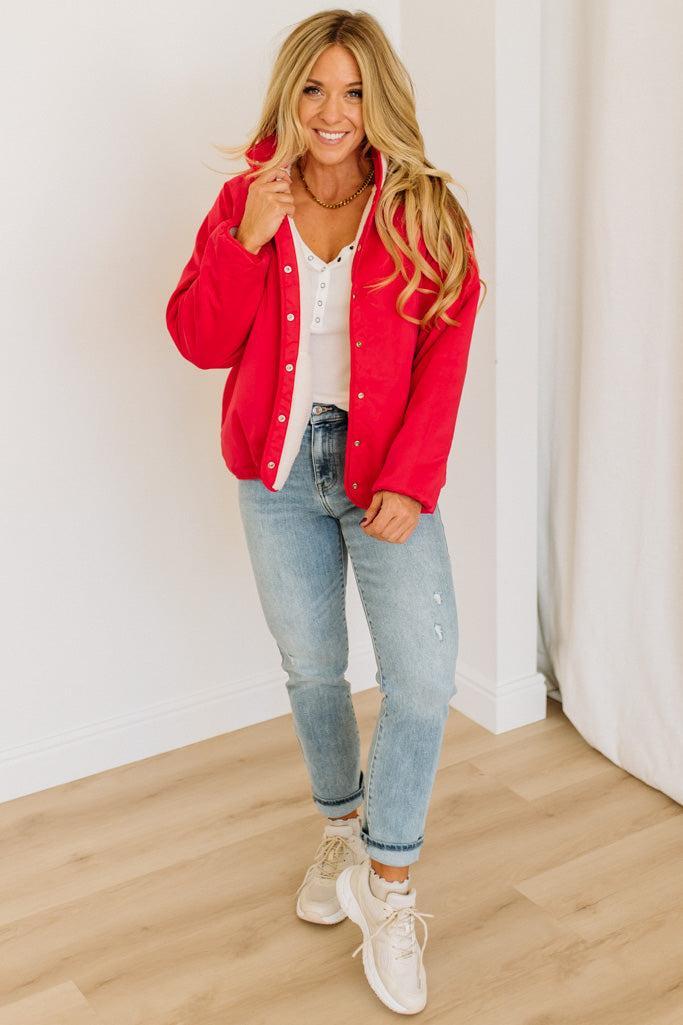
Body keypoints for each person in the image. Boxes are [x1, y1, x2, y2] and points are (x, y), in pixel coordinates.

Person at [166, 9, 484, 1016]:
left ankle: (385, 883)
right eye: (313, 90)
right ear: (287, 95)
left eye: (352, 91)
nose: (331, 112)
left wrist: (411, 479)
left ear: (377, 98)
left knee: (423, 677)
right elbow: (197, 339)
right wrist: (240, 239)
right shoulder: (245, 199)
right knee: (313, 668)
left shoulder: (426, 206)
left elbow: (446, 346)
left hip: (384, 471)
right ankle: (340, 827)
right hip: (275, 474)